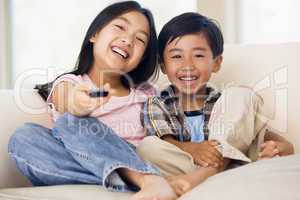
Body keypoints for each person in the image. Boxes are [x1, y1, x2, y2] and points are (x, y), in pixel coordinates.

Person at [8, 1, 177, 200]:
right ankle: (140, 181)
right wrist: (76, 104)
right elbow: (65, 98)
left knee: (70, 122)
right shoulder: (70, 82)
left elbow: (165, 135)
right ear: (94, 35)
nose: (128, 40)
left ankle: (145, 178)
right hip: (84, 163)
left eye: (140, 39)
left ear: (142, 57)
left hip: (138, 156)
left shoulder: (146, 93)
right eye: (120, 27)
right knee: (28, 136)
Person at [137, 12, 294, 197]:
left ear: (216, 63)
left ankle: (206, 174)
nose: (188, 65)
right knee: (147, 146)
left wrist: (284, 147)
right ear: (163, 66)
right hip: (188, 165)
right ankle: (213, 173)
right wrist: (194, 149)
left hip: (229, 160)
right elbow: (166, 142)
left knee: (241, 94)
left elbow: (263, 135)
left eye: (198, 55)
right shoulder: (157, 103)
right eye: (177, 56)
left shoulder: (226, 102)